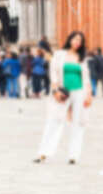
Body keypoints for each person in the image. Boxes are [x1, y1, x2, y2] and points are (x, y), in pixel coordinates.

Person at [35, 31, 92, 164]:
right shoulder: (60, 55)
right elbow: (53, 73)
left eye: (80, 40)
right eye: (75, 39)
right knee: (54, 120)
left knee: (78, 123)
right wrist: (55, 90)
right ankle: (43, 152)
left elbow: (87, 78)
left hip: (79, 92)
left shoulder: (82, 58)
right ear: (70, 39)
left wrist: (89, 94)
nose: (77, 42)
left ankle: (74, 155)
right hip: (63, 91)